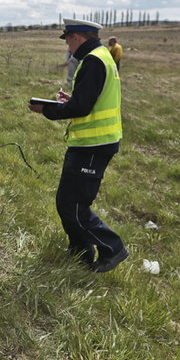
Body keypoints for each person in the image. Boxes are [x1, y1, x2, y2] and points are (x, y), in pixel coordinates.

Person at [28, 18, 128, 273]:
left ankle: (113, 248)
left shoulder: (93, 60)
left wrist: (47, 110)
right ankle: (80, 253)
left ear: (76, 38)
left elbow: (82, 108)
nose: (67, 48)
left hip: (94, 145)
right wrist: (71, 99)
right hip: (89, 143)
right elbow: (89, 100)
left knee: (72, 205)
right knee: (66, 201)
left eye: (67, 41)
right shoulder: (102, 56)